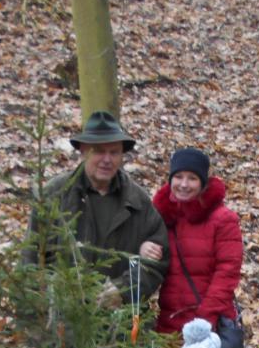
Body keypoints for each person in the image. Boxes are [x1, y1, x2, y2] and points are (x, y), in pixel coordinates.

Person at [26, 110, 168, 308]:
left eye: (114, 152)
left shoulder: (138, 201)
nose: (107, 159)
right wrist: (33, 311)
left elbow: (155, 262)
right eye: (99, 151)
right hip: (63, 318)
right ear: (83, 151)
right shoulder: (55, 194)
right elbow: (30, 258)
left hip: (121, 319)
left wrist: (123, 290)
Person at [150, 147, 244, 348]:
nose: (184, 184)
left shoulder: (223, 219)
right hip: (170, 322)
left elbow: (227, 272)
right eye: (178, 177)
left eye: (192, 178)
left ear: (203, 182)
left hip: (210, 323)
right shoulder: (161, 218)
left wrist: (204, 319)